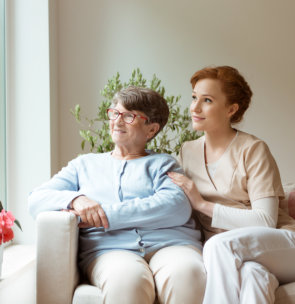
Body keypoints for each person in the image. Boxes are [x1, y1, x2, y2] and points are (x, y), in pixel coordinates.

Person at [28, 86, 206, 304]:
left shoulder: (164, 163)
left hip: (172, 245)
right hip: (110, 250)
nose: (118, 121)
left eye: (129, 116)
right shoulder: (84, 165)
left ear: (151, 130)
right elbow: (36, 199)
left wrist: (102, 214)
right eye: (114, 113)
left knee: (187, 273)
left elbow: (175, 207)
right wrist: (76, 199)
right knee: (127, 280)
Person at [168, 66, 295, 304]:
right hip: (241, 256)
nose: (195, 107)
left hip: (281, 244)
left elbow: (266, 221)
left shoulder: (253, 150)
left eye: (207, 100)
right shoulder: (188, 151)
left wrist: (203, 205)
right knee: (253, 276)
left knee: (217, 245)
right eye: (194, 97)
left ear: (231, 109)